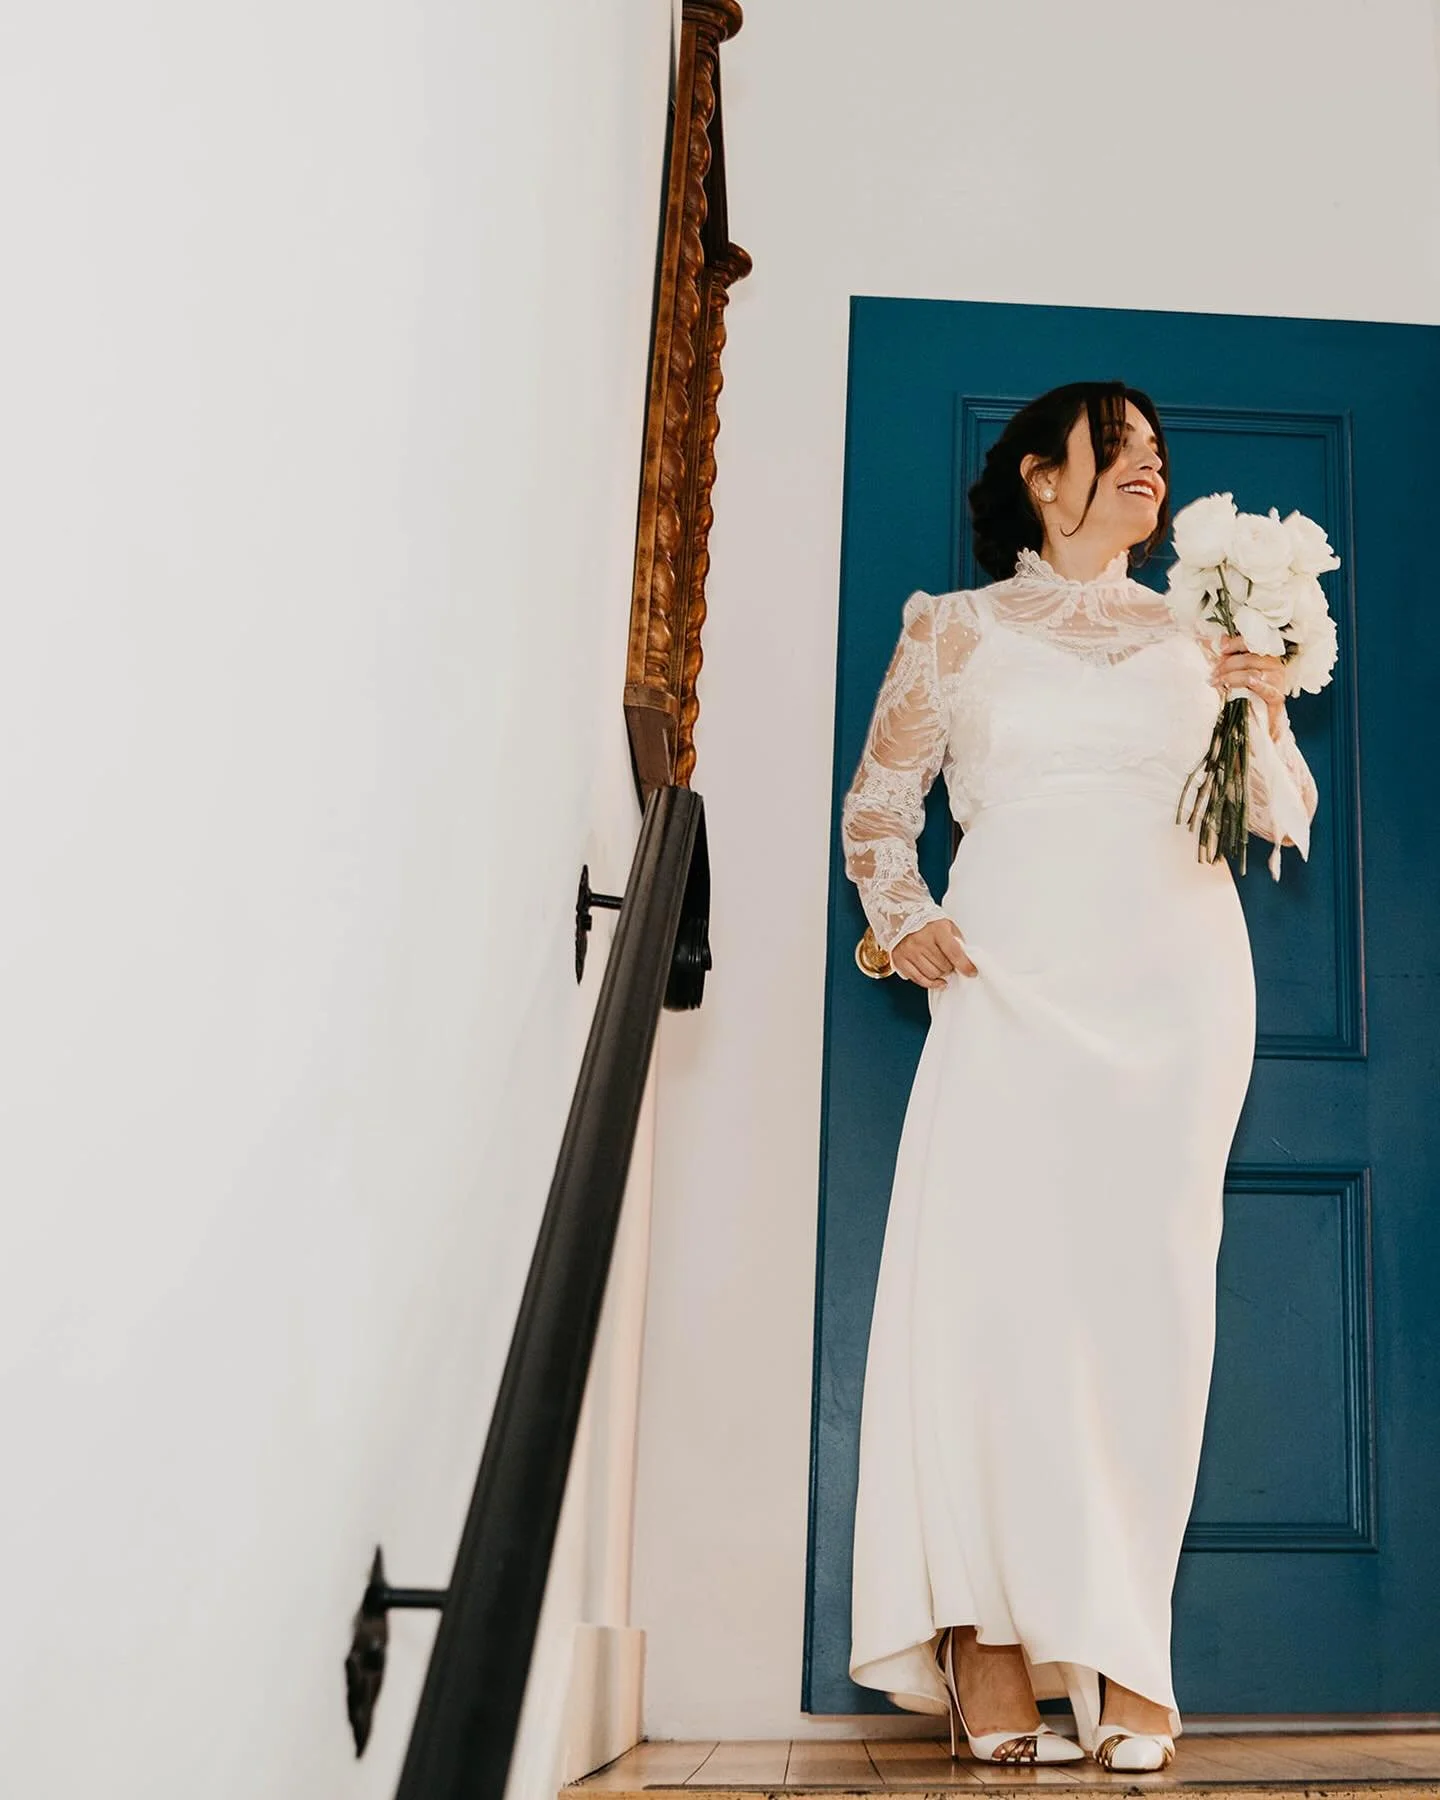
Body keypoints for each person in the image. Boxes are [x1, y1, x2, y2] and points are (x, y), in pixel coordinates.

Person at [839, 381, 1319, 1771]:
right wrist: (902, 911)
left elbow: (1270, 820)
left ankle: (1123, 1645)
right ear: (1046, 479)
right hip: (1011, 989)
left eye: (1160, 457)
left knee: (1144, 1305)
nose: (1150, 473)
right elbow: (881, 805)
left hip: (1174, 994)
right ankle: (984, 1636)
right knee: (996, 1299)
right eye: (1122, 451)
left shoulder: (1199, 629)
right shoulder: (956, 629)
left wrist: (1259, 707)